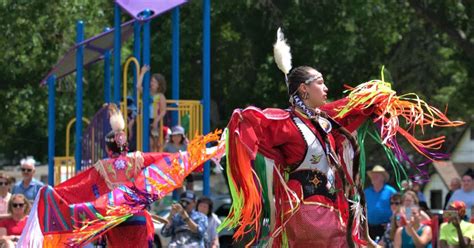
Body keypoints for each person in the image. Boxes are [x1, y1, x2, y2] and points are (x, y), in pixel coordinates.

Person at [219, 29, 462, 247]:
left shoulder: (326, 125)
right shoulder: (288, 124)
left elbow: (349, 110)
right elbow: (250, 124)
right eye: (320, 83)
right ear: (304, 89)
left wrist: (376, 98)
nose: (326, 88)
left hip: (331, 211)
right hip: (306, 213)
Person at [17, 104, 224, 247]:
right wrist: (198, 155)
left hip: (115, 221)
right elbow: (169, 160)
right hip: (139, 220)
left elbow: (77, 187)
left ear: (108, 148)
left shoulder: (101, 167)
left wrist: (52, 193)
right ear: (126, 145)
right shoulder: (139, 159)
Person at [137, 65, 168, 152]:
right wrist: (142, 73)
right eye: (151, 81)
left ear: (159, 85)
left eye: (154, 82)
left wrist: (156, 121)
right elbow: (138, 87)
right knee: (144, 141)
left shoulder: (160, 96)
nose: (152, 83)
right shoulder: (147, 92)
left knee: (153, 142)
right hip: (144, 119)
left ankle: (152, 160)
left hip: (153, 120)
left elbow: (163, 111)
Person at [365, 165, 397, 240]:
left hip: (385, 227)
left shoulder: (390, 191)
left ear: (383, 178)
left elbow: (398, 208)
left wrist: (392, 224)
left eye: (376, 175)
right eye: (372, 175)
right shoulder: (366, 192)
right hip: (369, 228)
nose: (373, 177)